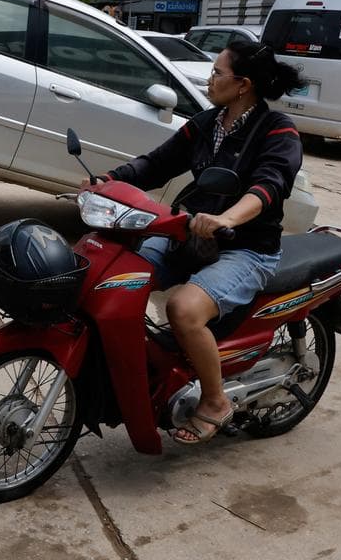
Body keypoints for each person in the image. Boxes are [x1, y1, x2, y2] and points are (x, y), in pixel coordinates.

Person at [99, 40, 305, 444]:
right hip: (189, 235)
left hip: (247, 249)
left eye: (216, 73)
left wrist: (227, 218)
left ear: (242, 84)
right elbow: (156, 164)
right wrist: (109, 181)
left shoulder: (278, 131)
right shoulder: (208, 123)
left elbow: (270, 185)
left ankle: (215, 401)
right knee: (118, 276)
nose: (209, 79)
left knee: (184, 309)